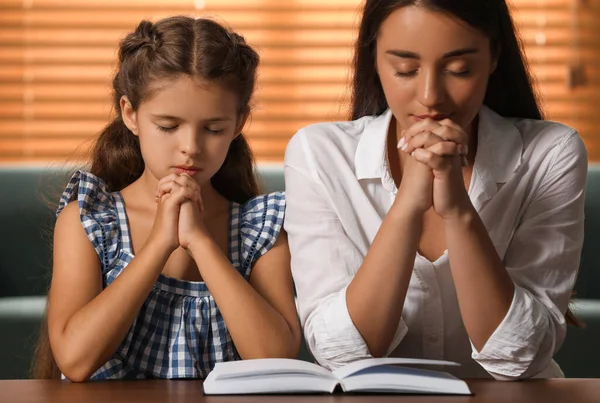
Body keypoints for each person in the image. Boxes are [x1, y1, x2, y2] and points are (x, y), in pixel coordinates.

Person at [284, 0, 587, 380]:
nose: (430, 97)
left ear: (494, 57)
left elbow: (519, 357)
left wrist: (458, 212)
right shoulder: (319, 154)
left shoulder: (551, 152)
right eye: (405, 70)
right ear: (374, 60)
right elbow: (342, 355)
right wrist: (407, 206)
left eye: (459, 69)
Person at [36, 16, 301, 382]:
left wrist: (200, 242)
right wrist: (160, 243)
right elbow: (75, 360)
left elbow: (276, 358)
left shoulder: (261, 227)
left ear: (239, 123)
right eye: (167, 126)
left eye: (213, 129)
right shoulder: (90, 218)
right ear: (130, 114)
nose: (190, 148)